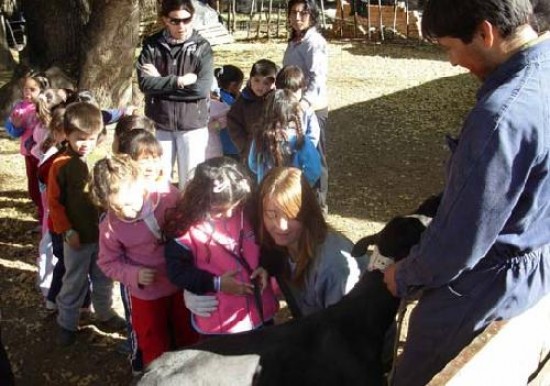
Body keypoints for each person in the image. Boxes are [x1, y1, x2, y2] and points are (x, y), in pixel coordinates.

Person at [382, 1, 550, 384]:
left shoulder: (500, 117)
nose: (453, 62)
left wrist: (404, 274)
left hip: (483, 289)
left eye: (448, 48)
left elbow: (458, 242)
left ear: (486, 33)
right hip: (536, 271)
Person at [91, 155, 198, 368]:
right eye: (117, 208)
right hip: (146, 294)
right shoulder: (110, 226)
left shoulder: (169, 197)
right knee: (153, 339)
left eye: (129, 204)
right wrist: (133, 275)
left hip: (180, 284)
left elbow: (191, 225)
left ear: (140, 184)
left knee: (188, 332)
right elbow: (107, 262)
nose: (126, 213)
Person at [164, 157, 278, 336]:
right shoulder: (185, 229)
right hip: (218, 321)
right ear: (200, 201)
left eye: (235, 205)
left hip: (261, 311)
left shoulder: (249, 212)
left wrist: (266, 266)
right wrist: (216, 283)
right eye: (219, 210)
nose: (229, 213)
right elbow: (177, 271)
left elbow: (268, 245)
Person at [47, 102, 124, 346]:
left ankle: (104, 313)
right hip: (76, 237)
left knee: (103, 277)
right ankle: (66, 322)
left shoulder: (101, 160)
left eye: (90, 139)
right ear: (66, 134)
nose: (85, 144)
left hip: (103, 236)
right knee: (75, 280)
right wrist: (67, 230)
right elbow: (54, 204)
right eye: (79, 138)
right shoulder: (60, 165)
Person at [257, 167, 367, 317]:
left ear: (307, 212)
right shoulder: (278, 245)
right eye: (271, 214)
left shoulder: (333, 267)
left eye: (291, 215)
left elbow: (343, 328)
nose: (281, 226)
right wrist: (266, 266)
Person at [137, 0, 214, 188]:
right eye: (176, 21)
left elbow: (201, 89)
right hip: (160, 124)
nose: (182, 26)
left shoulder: (203, 48)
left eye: (187, 20)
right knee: (156, 183)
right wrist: (178, 81)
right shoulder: (152, 45)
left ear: (193, 17)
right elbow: (145, 84)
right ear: (165, 20)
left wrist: (160, 84)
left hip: (192, 126)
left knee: (190, 184)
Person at [283, 0, 329, 214]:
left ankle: (319, 206)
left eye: (304, 13)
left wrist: (305, 103)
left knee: (314, 155)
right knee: (296, 151)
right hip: (293, 105)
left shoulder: (314, 42)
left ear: (312, 16)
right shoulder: (295, 41)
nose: (298, 18)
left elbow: (317, 77)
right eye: (294, 13)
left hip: (311, 108)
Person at [248, 89, 321, 186]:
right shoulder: (301, 140)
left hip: (267, 193)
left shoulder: (260, 137)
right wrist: (301, 188)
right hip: (292, 196)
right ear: (295, 115)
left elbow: (253, 164)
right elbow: (314, 170)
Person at [4, 71, 49, 226]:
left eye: (33, 89)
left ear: (42, 90)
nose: (28, 93)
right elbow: (12, 130)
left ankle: (46, 215)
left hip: (43, 154)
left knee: (44, 184)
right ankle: (41, 211)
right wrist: (15, 126)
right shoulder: (20, 107)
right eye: (25, 89)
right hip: (28, 153)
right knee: (33, 186)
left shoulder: (46, 106)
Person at [227, 59, 278, 161]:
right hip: (251, 153)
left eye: (266, 83)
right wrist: (245, 147)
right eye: (257, 80)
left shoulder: (277, 100)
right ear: (250, 79)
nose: (260, 86)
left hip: (274, 152)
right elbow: (233, 123)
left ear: (274, 84)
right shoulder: (243, 100)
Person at [210, 65, 244, 159]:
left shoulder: (213, 96)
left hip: (215, 147)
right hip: (233, 147)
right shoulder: (232, 102)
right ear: (233, 85)